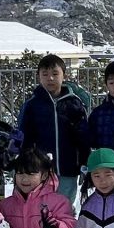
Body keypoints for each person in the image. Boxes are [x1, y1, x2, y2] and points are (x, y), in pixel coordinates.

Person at [16, 54, 90, 204]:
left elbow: (83, 138)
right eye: (45, 74)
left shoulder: (74, 103)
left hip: (68, 168)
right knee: (39, 207)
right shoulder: (32, 105)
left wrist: (84, 162)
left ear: (64, 75)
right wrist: (25, 163)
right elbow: (24, 136)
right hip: (39, 170)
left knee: (64, 206)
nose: (50, 78)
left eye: (55, 74)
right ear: (39, 77)